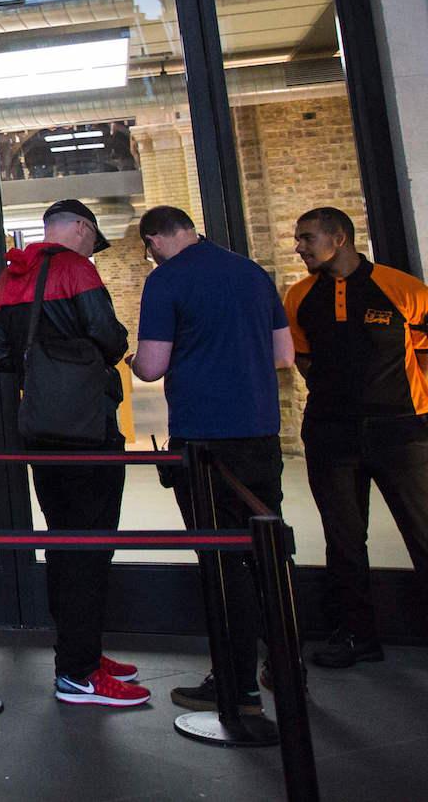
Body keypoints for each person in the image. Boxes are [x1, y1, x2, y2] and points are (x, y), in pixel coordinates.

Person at [131, 205, 292, 713]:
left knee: (222, 563)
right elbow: (284, 355)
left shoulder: (165, 282)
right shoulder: (252, 273)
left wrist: (133, 358)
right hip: (261, 433)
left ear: (155, 239)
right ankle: (288, 669)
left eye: (148, 248)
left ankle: (236, 684)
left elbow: (152, 368)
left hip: (204, 441)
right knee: (266, 553)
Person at [0, 199, 146, 707]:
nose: (91, 251)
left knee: (62, 541)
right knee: (90, 545)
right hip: (88, 428)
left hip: (40, 429)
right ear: (80, 228)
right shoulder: (77, 269)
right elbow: (110, 339)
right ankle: (78, 672)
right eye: (92, 240)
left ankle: (81, 652)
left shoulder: (9, 276)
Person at [284, 205, 428, 669]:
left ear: (339, 238)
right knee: (344, 540)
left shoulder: (400, 288)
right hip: (331, 434)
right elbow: (302, 357)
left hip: (402, 431)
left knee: (423, 534)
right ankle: (356, 636)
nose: (298, 246)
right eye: (297, 238)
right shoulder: (300, 296)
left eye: (307, 238)